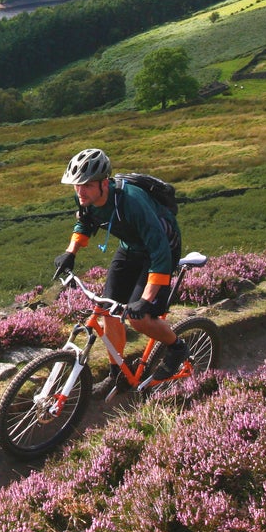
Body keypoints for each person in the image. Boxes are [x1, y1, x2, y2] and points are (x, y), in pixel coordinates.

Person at [52, 148, 188, 396]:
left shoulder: (133, 202)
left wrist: (145, 300)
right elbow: (84, 221)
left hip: (161, 250)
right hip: (130, 249)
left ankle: (177, 347)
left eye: (87, 186)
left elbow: (160, 253)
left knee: (139, 318)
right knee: (107, 309)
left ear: (105, 183)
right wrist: (71, 252)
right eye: (76, 186)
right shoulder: (84, 197)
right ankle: (118, 375)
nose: (80, 191)